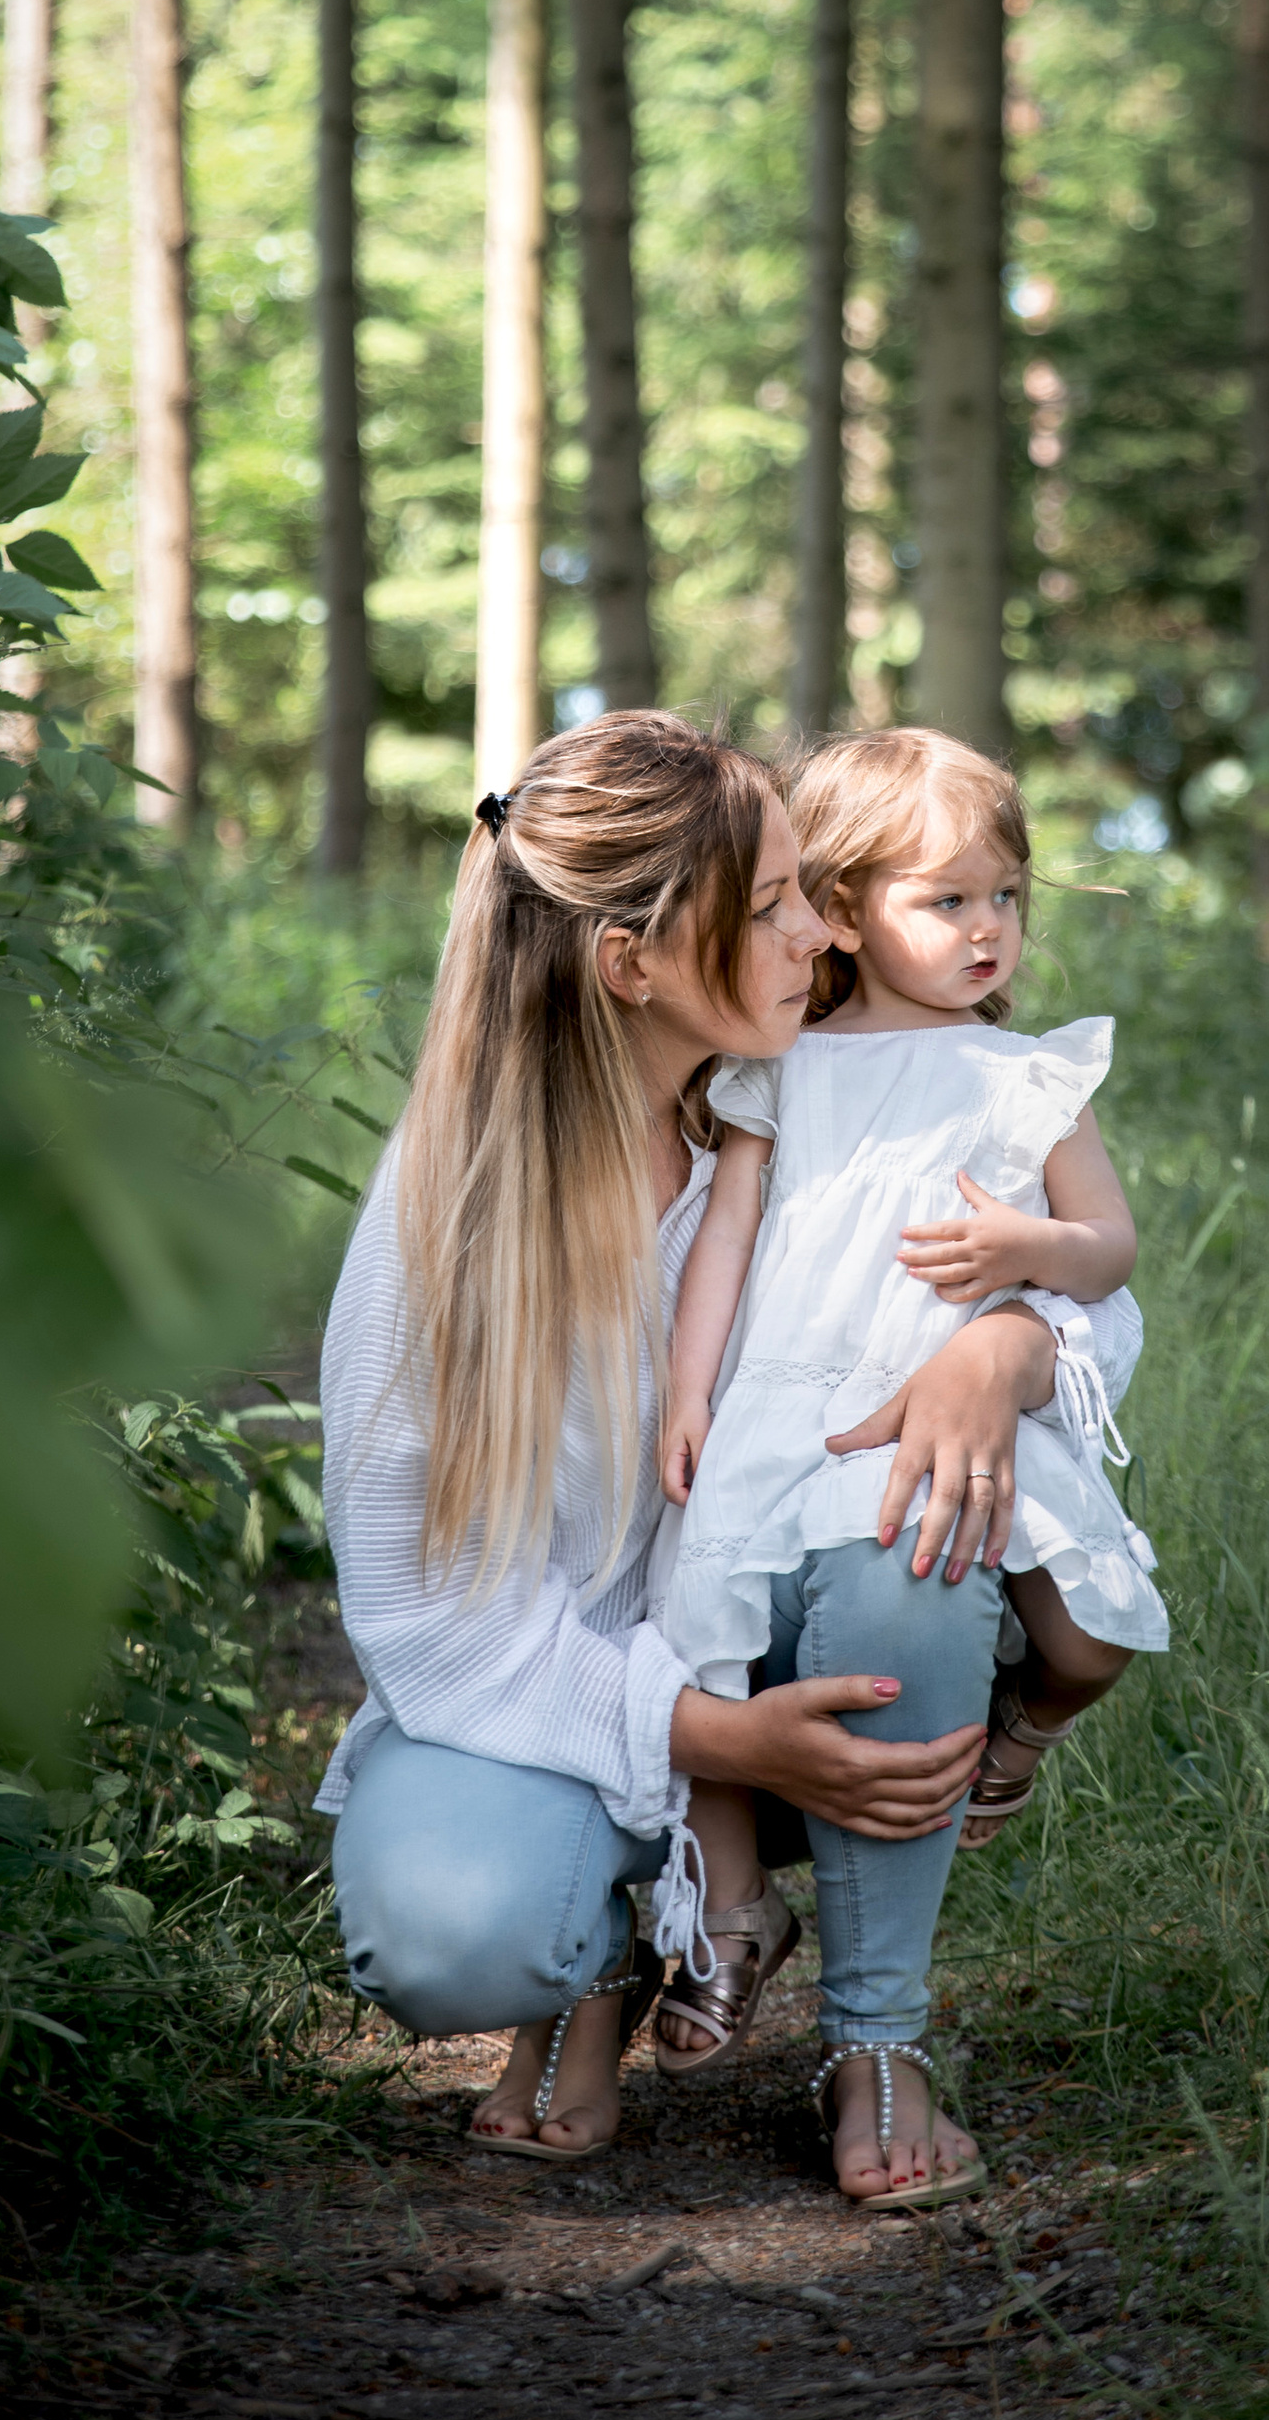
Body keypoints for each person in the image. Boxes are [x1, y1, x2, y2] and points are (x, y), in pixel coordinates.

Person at [317, 709, 1084, 2206]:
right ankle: (596, 1957)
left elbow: (1070, 1275)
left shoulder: (825, 1103)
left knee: (910, 1542)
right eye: (780, 906)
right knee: (457, 1928)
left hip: (784, 1634)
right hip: (536, 1690)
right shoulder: (448, 1219)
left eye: (813, 892)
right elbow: (422, 1610)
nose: (821, 933)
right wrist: (714, 1742)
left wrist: (1016, 1347)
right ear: (635, 963)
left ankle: (877, 2042)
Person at [650, 725, 1167, 2090]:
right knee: (699, 1623)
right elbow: (727, 1237)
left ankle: (1014, 1741)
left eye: (1007, 896)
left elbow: (1108, 1246)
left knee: (1090, 1636)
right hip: (793, 1404)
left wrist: (1029, 1257)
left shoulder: (1027, 1077)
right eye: (947, 900)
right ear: (846, 911)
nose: (989, 929)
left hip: (959, 1409)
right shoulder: (786, 1066)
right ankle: (727, 1914)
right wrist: (691, 1390)